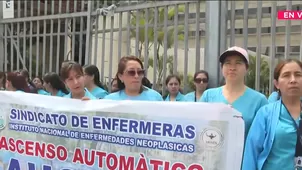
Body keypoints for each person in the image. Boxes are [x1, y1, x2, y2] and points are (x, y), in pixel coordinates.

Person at [242, 59, 302, 170]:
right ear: (277, 84)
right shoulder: (265, 114)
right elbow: (252, 152)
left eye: (298, 75)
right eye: (286, 75)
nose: (293, 80)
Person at [200, 46, 268, 138]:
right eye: (227, 63)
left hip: (245, 152)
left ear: (246, 68)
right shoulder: (208, 95)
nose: (232, 68)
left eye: (238, 63)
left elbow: (263, 135)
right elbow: (199, 126)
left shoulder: (259, 100)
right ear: (222, 68)